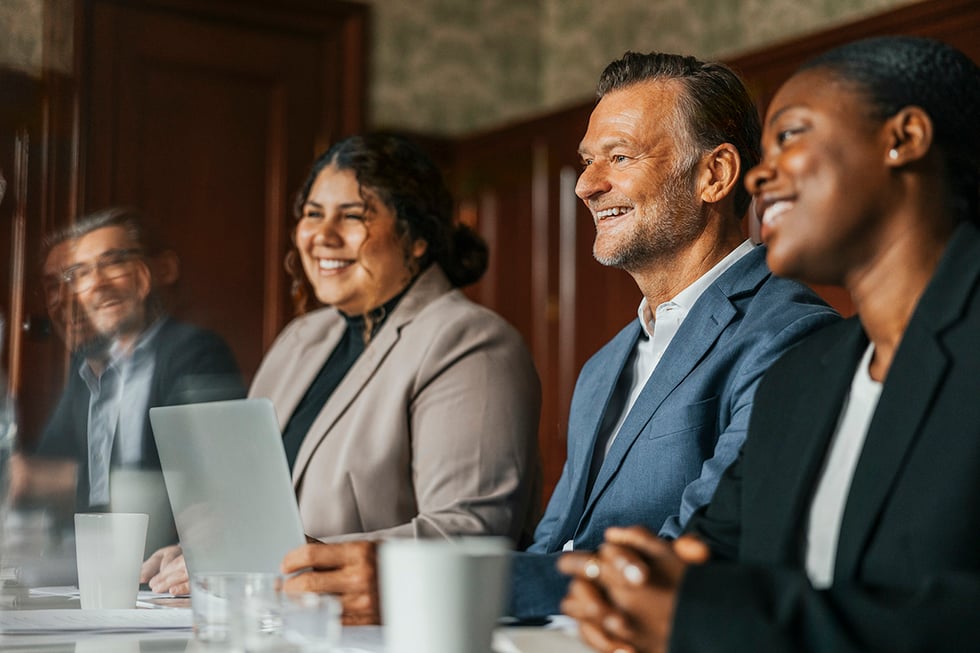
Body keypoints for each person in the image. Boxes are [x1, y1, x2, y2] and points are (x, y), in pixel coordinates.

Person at [559, 36, 980, 653]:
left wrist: (703, 617)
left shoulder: (787, 339)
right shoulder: (807, 375)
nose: (760, 174)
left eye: (792, 136)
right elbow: (709, 558)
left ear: (904, 138)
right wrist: (631, 589)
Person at [143, 134, 542, 624]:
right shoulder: (301, 337)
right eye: (312, 213)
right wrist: (207, 553)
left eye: (353, 216)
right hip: (271, 619)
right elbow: (254, 507)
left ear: (416, 236)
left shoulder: (471, 341)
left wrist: (290, 562)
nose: (322, 235)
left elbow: (471, 532)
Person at [508, 52, 839, 618]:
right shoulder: (603, 365)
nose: (587, 185)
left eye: (619, 156)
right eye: (587, 161)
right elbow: (553, 544)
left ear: (715, 174)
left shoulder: (792, 334)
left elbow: (697, 558)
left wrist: (441, 581)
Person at [17, 208, 244, 515]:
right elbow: (43, 468)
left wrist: (58, 481)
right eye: (79, 274)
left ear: (157, 271)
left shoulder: (195, 352)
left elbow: (208, 486)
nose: (85, 290)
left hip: (170, 557)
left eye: (112, 263)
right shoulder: (85, 371)